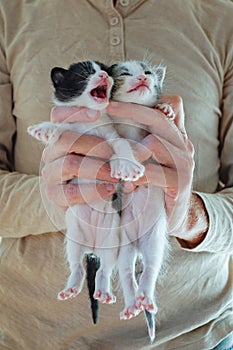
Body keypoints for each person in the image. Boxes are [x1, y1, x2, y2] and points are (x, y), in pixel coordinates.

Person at [0, 0, 232, 349]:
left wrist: (188, 215)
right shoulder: (8, 14)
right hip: (30, 336)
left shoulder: (224, 17)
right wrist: (63, 194)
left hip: (197, 335)